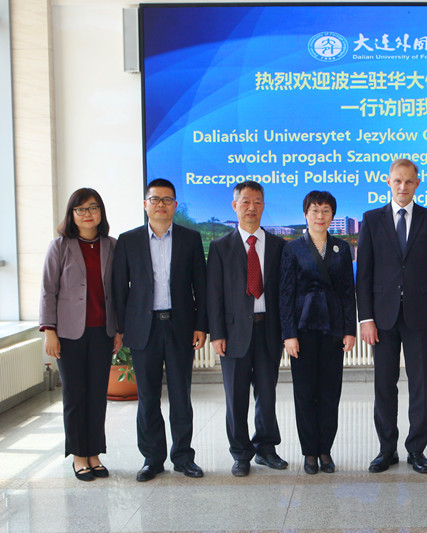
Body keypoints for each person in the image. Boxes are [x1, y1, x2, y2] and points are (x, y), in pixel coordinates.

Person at [357, 158, 427, 474]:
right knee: (384, 386)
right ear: (388, 182)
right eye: (397, 181)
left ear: (417, 183)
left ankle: (416, 450)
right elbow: (364, 275)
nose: (403, 186)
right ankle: (387, 450)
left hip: (420, 318)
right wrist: (365, 318)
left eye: (409, 181)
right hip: (381, 318)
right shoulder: (371, 220)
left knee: (419, 385)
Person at [112, 179, 207, 482]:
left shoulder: (190, 239)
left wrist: (200, 326)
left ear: (175, 205)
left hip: (180, 326)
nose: (161, 205)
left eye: (167, 199)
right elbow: (119, 289)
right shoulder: (128, 241)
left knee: (181, 396)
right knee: (148, 397)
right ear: (145, 204)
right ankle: (152, 459)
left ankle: (183, 457)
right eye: (155, 199)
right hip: (144, 329)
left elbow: (200, 286)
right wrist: (120, 329)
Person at [40, 188, 122, 481]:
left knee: (97, 395)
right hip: (68, 334)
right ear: (72, 214)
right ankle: (78, 455)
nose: (88, 214)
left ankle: (94, 453)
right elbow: (48, 290)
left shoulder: (112, 245)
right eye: (81, 209)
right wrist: (49, 330)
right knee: (75, 395)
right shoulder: (60, 246)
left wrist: (119, 330)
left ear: (101, 212)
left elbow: (119, 291)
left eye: (93, 207)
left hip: (102, 331)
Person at [207, 180, 288, 477]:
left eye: (257, 202)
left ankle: (266, 448)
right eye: (245, 201)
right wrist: (217, 333)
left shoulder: (279, 247)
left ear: (264, 206)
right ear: (235, 206)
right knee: (236, 396)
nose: (251, 207)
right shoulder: (220, 247)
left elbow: (285, 293)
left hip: (268, 330)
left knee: (267, 394)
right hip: (232, 333)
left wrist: (286, 332)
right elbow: (213, 293)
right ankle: (240, 453)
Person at [279, 191, 357, 475]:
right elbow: (285, 294)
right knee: (304, 392)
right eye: (315, 210)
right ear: (305, 214)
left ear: (332, 216)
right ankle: (309, 452)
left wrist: (349, 330)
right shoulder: (293, 249)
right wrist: (288, 333)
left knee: (329, 392)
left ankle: (325, 450)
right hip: (302, 330)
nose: (320, 216)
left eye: (326, 211)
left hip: (333, 330)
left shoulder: (341, 248)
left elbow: (347, 291)